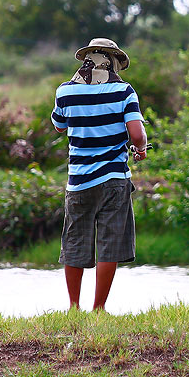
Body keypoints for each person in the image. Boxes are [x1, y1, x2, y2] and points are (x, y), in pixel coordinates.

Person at [50, 38, 148, 311]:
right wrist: (140, 149)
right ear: (113, 61)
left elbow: (59, 125)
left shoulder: (65, 92)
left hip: (78, 180)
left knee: (75, 241)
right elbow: (137, 135)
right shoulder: (124, 91)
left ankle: (73, 307)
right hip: (113, 178)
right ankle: (99, 309)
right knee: (110, 242)